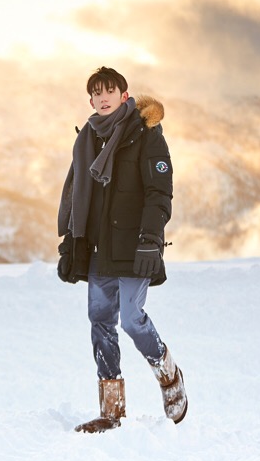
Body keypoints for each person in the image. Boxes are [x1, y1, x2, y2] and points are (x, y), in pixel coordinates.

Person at [56, 66, 187, 433]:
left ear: (124, 95)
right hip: (99, 248)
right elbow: (80, 196)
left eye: (109, 90)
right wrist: (73, 242)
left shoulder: (146, 136)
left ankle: (167, 372)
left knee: (131, 318)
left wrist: (150, 240)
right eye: (96, 92)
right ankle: (111, 412)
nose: (102, 97)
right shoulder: (88, 141)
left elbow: (159, 193)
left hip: (135, 247)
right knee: (100, 323)